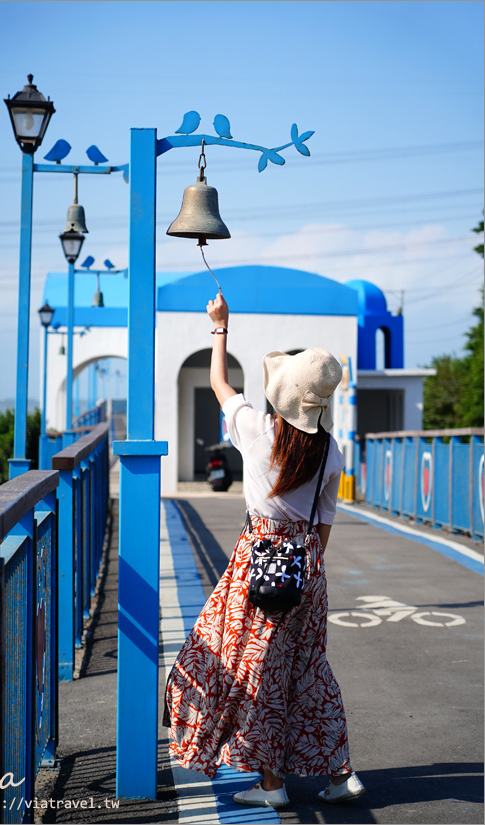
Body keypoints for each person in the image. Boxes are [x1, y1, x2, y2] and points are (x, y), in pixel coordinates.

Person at [164, 292, 365, 808]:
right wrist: (308, 568)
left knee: (249, 669)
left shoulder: (257, 430)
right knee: (308, 670)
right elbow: (323, 527)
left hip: (258, 566)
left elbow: (218, 383)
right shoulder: (330, 450)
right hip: (307, 569)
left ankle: (273, 786)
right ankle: (339, 774)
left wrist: (220, 327)